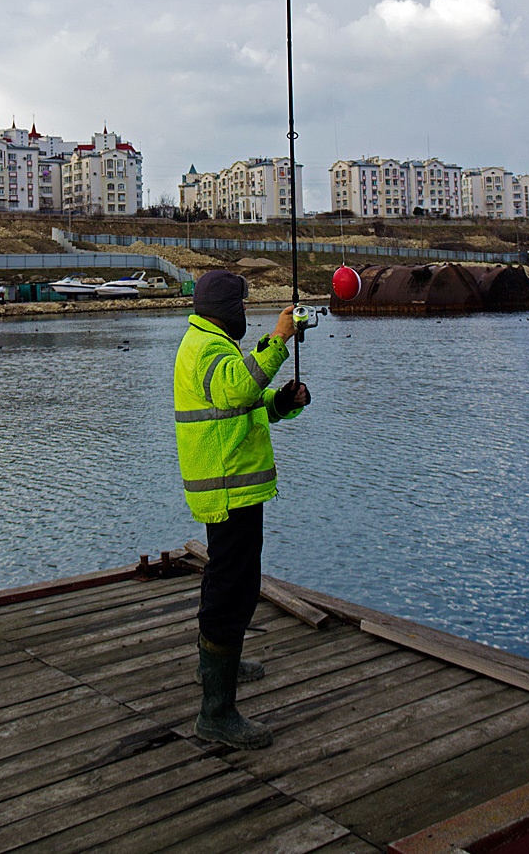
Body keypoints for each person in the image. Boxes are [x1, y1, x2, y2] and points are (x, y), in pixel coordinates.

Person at [173, 268, 311, 749]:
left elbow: (242, 403)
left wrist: (282, 402)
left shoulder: (210, 343)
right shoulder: (207, 348)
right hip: (228, 489)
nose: (246, 314)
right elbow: (236, 388)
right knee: (231, 591)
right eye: (244, 306)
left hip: (234, 487)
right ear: (228, 308)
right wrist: (279, 338)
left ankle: (216, 667)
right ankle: (216, 713)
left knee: (230, 583)